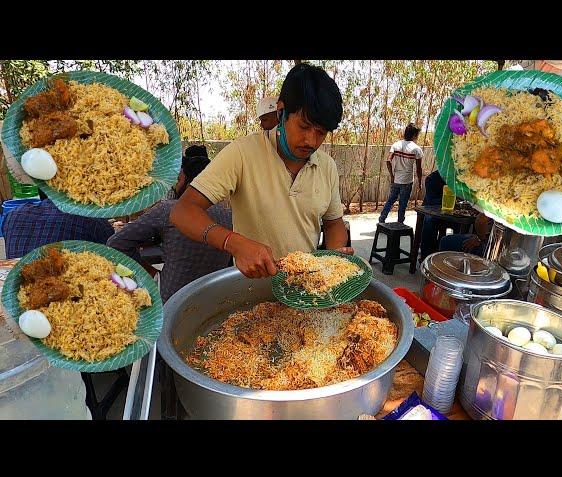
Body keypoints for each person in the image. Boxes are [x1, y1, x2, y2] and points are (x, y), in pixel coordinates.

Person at [170, 63, 352, 279]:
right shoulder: (242, 153)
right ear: (281, 111)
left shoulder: (327, 166)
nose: (311, 141)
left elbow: (333, 224)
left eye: (321, 133)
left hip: (306, 289)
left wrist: (335, 258)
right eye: (303, 127)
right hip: (251, 288)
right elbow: (182, 211)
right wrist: (233, 242)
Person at [108, 155, 232, 303]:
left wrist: (150, 273)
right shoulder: (229, 216)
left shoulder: (168, 210)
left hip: (171, 301)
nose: (175, 185)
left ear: (191, 184)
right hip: (214, 302)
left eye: (179, 180)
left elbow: (115, 243)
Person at [3, 190, 114, 259]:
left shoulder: (12, 215)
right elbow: (112, 252)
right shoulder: (92, 220)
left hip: (14, 287)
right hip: (67, 290)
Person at [378, 123, 423, 224]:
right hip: (407, 181)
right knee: (403, 203)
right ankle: (400, 223)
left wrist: (392, 175)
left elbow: (388, 160)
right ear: (414, 135)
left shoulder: (396, 145)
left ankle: (382, 219)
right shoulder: (416, 149)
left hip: (396, 179)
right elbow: (419, 169)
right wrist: (420, 182)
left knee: (391, 200)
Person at [419, 169, 447, 261]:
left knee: (462, 225)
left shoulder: (458, 180)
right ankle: (425, 256)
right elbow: (431, 201)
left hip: (449, 214)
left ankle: (447, 256)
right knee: (429, 221)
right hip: (431, 210)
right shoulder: (432, 179)